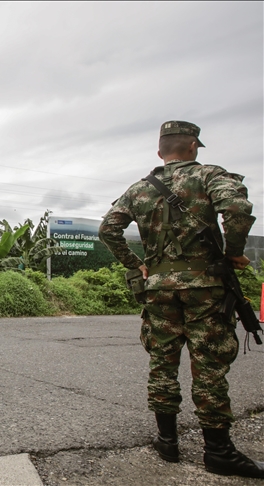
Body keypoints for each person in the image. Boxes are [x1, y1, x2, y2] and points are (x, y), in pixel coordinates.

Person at [99, 120, 263, 478]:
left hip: (158, 288)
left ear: (160, 152)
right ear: (192, 147)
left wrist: (137, 265)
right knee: (209, 365)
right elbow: (236, 209)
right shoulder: (208, 175)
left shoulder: (139, 189)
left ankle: (167, 442)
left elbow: (107, 228)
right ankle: (218, 451)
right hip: (204, 285)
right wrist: (233, 252)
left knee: (162, 361)